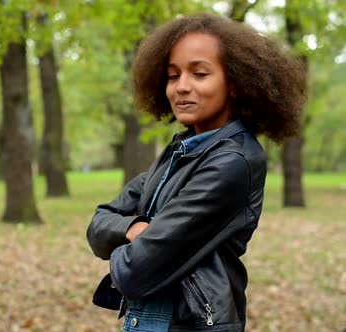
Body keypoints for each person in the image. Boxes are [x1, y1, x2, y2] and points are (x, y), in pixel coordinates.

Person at [86, 13, 306, 332]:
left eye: (199, 74)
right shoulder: (181, 150)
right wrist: (134, 228)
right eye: (173, 76)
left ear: (234, 84)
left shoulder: (234, 160)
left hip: (190, 323)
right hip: (147, 318)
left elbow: (134, 270)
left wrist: (124, 239)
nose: (181, 87)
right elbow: (98, 223)